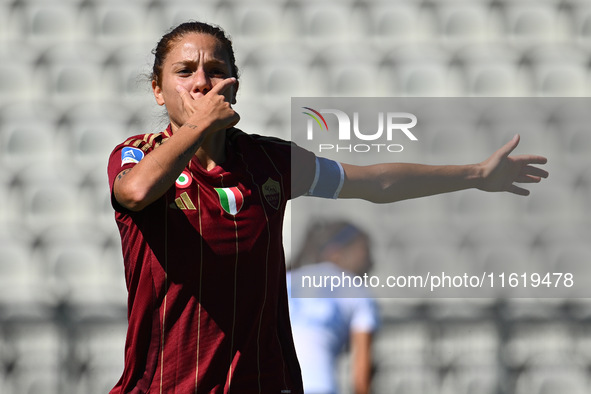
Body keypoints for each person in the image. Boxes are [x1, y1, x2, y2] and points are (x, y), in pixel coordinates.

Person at [107, 21, 548, 393]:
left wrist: (475, 175)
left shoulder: (269, 163)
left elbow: (378, 182)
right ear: (158, 91)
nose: (201, 81)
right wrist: (201, 123)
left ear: (234, 85)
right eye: (185, 72)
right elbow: (136, 193)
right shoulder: (137, 154)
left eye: (215, 70)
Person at [287, 220, 379, 394]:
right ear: (336, 252)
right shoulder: (358, 291)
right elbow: (361, 372)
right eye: (364, 252)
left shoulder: (285, 279)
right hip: (320, 386)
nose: (371, 262)